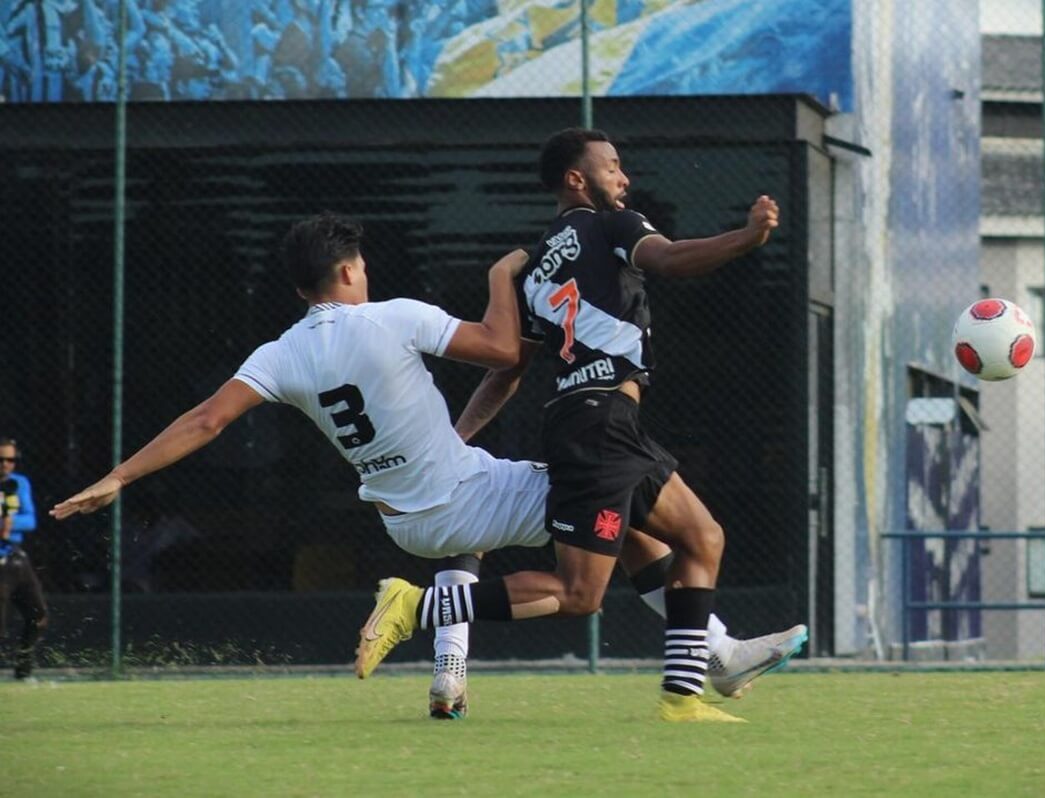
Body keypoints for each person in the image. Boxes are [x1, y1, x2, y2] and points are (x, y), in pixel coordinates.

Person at [49, 211, 800, 718]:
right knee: (587, 574)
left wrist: (120, 476)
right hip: (464, 500)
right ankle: (423, 608)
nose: (367, 274)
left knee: (630, 517)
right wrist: (504, 278)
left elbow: (205, 420)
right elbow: (505, 351)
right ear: (348, 271)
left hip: (407, 520)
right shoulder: (392, 317)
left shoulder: (279, 353)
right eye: (363, 265)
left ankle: (718, 651)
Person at [351, 128, 791, 723]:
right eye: (613, 167)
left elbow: (506, 373)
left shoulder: (535, 269)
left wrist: (458, 436)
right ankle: (417, 606)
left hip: (596, 423)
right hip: (601, 424)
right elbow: (670, 258)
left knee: (701, 537)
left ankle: (687, 692)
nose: (624, 178)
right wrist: (747, 237)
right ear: (577, 180)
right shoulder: (612, 225)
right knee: (581, 594)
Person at [1, 437, 49, 681]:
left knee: (38, 616)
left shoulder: (19, 484)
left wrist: (8, 523)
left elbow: (30, 520)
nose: (6, 464)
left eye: (11, 459)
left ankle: (23, 670)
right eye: (1, 459)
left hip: (15, 557)